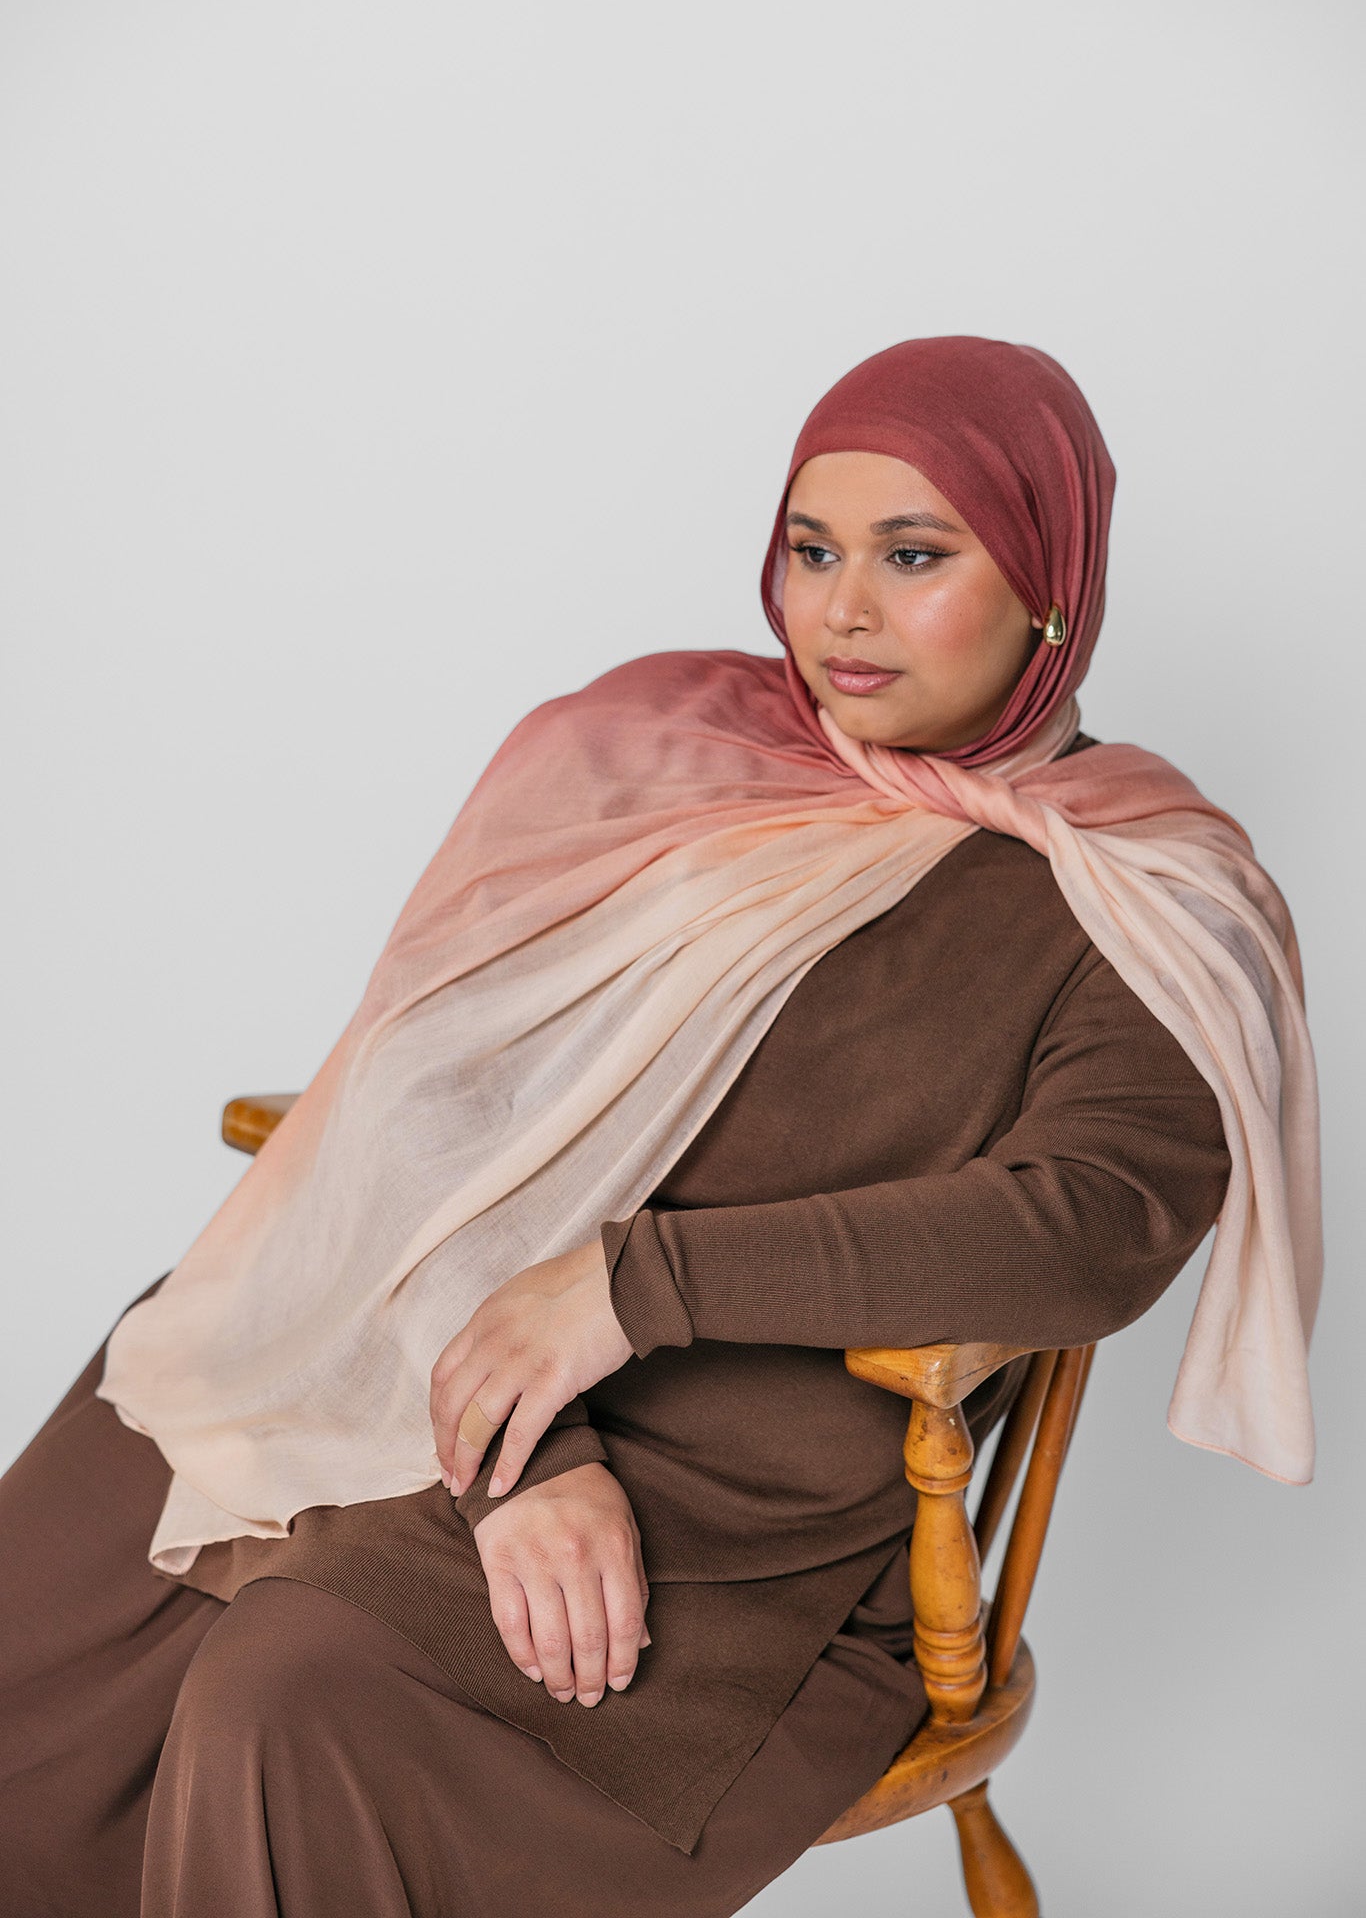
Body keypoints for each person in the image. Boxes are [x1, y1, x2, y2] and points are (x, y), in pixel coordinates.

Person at [0, 337, 1320, 1917]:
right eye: (810, 550)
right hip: (452, 1375)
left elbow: (1085, 1222)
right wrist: (526, 1447)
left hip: (756, 1520)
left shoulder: (1143, 892)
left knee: (294, 1688)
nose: (841, 610)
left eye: (915, 557)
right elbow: (431, 1095)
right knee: (82, 1541)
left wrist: (636, 1284)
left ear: (1049, 586)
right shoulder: (672, 756)